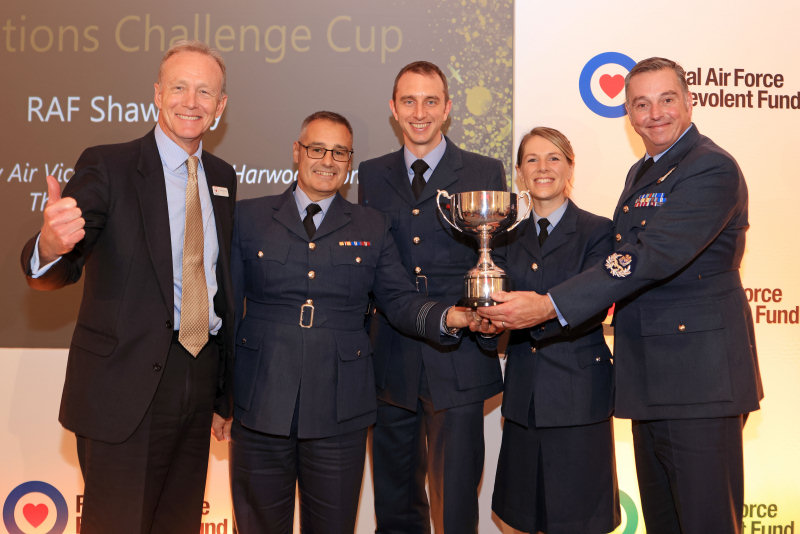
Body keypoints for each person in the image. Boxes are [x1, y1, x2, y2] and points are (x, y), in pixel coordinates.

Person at [478, 57, 763, 534]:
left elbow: (646, 256)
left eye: (666, 100)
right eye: (640, 104)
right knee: (665, 521)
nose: (655, 114)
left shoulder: (710, 167)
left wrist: (549, 304)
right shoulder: (643, 173)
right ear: (628, 113)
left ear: (689, 103)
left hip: (698, 380)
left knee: (706, 520)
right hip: (649, 379)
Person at [19, 40, 236, 534]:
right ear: (157, 95)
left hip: (197, 378)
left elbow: (219, 283)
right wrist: (49, 246)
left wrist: (224, 393)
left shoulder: (222, 177)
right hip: (124, 385)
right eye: (179, 87)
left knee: (178, 522)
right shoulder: (108, 165)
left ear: (220, 107)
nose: (191, 101)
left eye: (206, 92)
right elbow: (65, 261)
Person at [227, 111, 477, 534]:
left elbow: (398, 300)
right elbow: (229, 308)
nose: (328, 160)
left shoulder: (371, 224)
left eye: (340, 152)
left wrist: (450, 317)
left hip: (340, 405)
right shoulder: (248, 217)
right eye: (317, 149)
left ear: (350, 161)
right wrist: (222, 398)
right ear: (296, 152)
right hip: (260, 398)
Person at [358, 60, 506, 533]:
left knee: (455, 499)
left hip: (459, 358)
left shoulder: (484, 170)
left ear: (446, 109)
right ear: (393, 109)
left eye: (430, 101)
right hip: (391, 359)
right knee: (394, 500)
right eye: (408, 101)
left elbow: (495, 263)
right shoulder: (371, 173)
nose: (419, 112)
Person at [489, 127, 619, 533]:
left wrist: (538, 310)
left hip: (579, 395)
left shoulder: (599, 230)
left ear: (570, 168)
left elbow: (595, 300)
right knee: (518, 517)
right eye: (532, 160)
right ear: (519, 174)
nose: (543, 168)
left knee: (578, 520)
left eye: (553, 158)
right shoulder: (504, 238)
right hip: (524, 397)